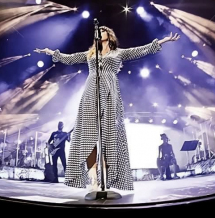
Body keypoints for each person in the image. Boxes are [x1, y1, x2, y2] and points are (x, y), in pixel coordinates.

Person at [34, 26, 180, 191]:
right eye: (97, 31)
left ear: (109, 35)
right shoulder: (90, 54)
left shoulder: (118, 53)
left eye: (102, 30)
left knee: (108, 139)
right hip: (90, 93)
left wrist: (164, 41)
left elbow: (141, 50)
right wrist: (52, 53)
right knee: (88, 138)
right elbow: (71, 58)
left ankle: (106, 178)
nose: (98, 33)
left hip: (110, 93)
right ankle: (94, 178)